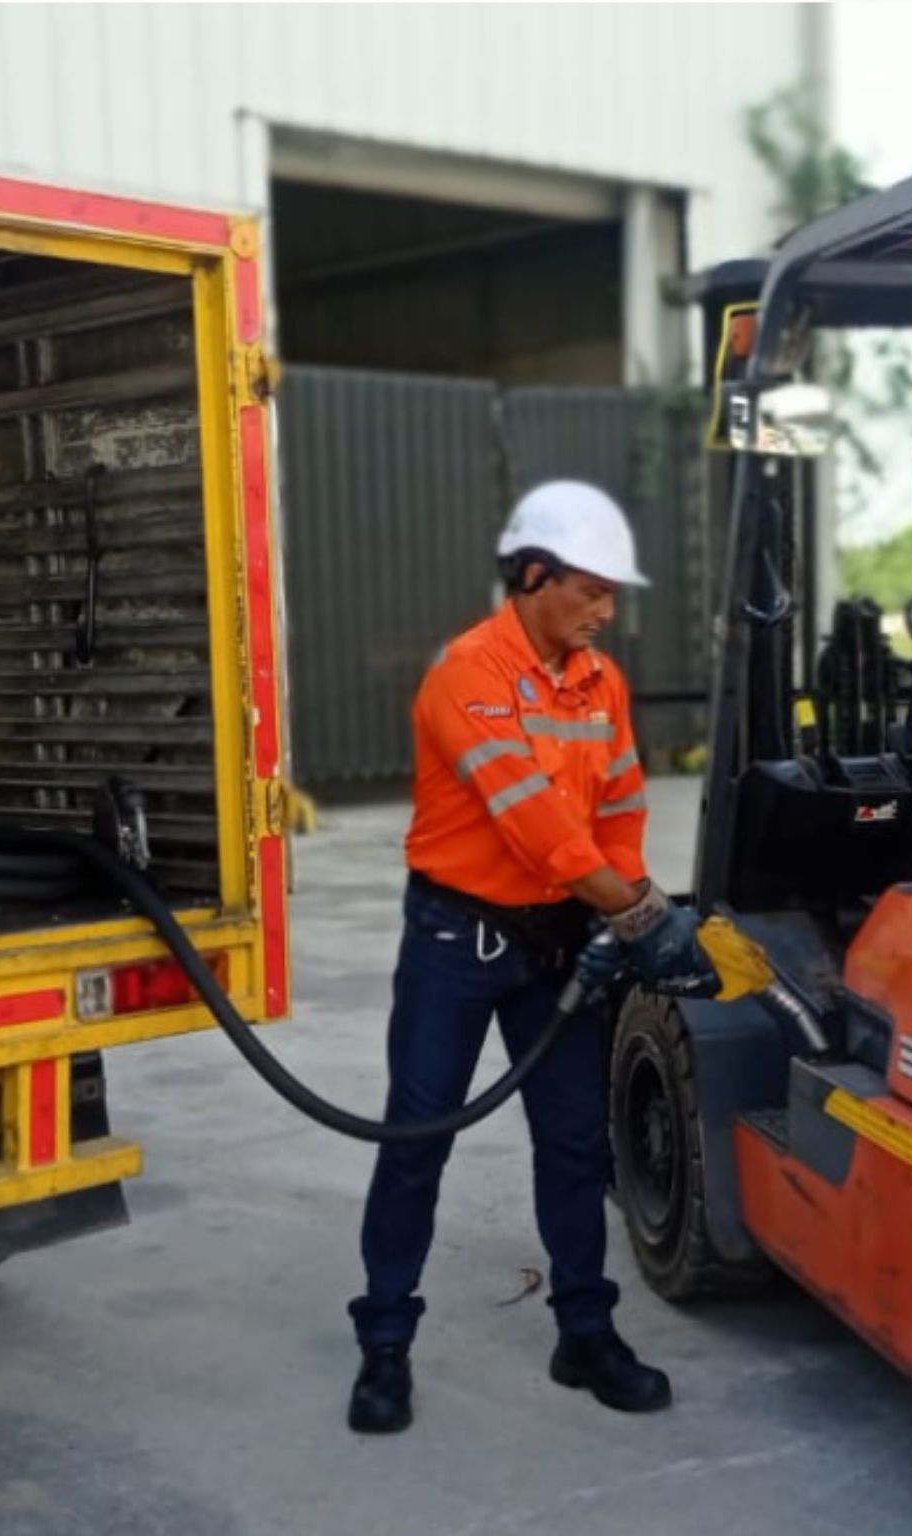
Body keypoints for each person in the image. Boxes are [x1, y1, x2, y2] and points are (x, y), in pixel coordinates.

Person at [346, 480, 711, 1434]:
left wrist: (617, 905)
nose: (606, 610)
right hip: (456, 944)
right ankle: (385, 1344)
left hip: (561, 943)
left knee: (576, 1143)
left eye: (611, 595)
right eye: (591, 590)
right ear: (535, 575)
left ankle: (584, 1335)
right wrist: (638, 914)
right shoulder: (467, 674)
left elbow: (621, 808)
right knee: (418, 1140)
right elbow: (538, 828)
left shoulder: (603, 684)